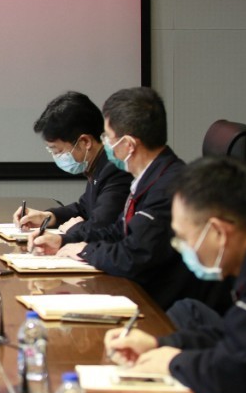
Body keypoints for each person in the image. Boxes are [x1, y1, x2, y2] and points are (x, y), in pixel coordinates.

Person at [104, 156, 246, 393]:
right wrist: (159, 344)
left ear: (218, 232)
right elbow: (233, 335)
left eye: (183, 238)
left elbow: (237, 373)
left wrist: (172, 363)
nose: (182, 248)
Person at [31, 86, 224, 311]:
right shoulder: (149, 177)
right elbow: (118, 230)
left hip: (159, 306)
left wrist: (84, 250)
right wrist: (64, 241)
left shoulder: (167, 187)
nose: (104, 144)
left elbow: (132, 255)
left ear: (128, 145)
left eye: (108, 137)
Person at [13, 91, 131, 242]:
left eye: (58, 151)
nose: (56, 157)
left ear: (85, 142)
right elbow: (84, 209)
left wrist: (73, 229)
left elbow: (100, 227)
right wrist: (47, 216)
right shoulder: (97, 164)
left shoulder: (115, 168)